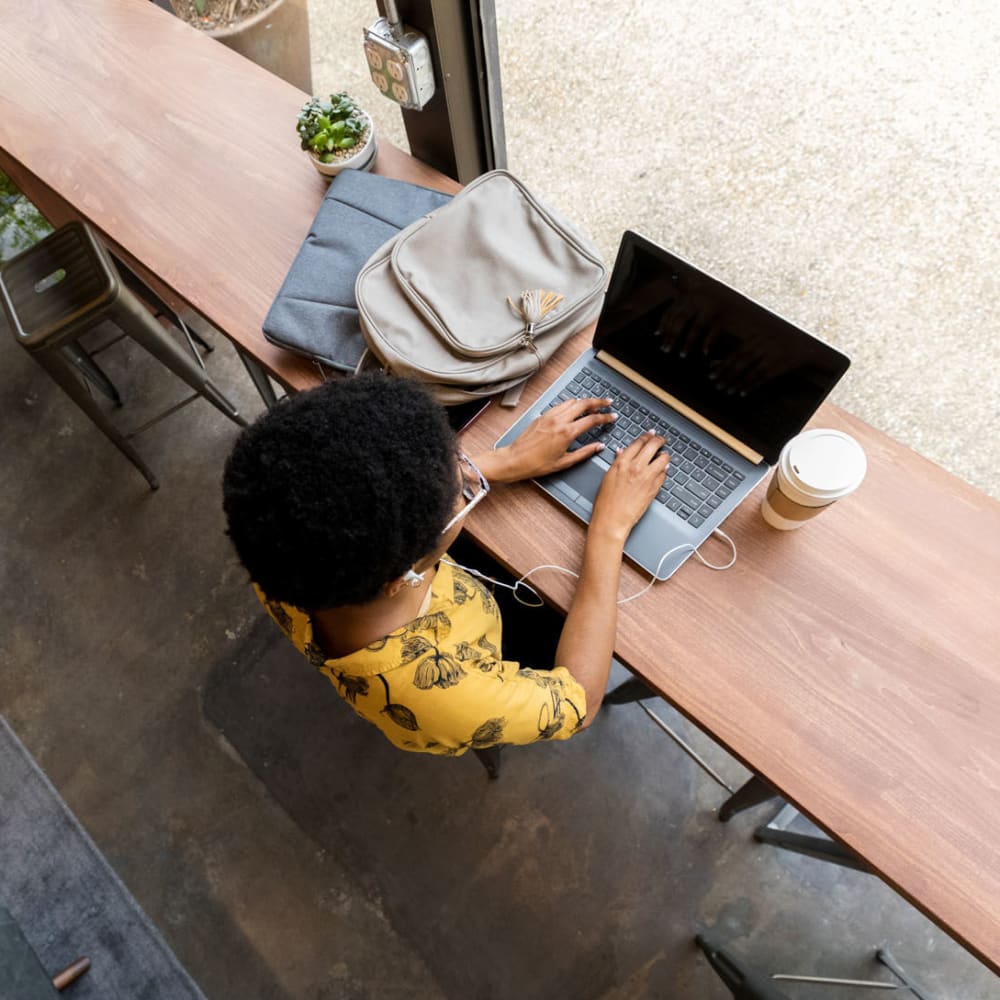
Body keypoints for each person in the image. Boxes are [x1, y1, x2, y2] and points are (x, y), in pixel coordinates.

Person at [222, 373, 668, 755]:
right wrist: (608, 531)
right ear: (401, 578)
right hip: (491, 644)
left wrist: (503, 461)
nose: (468, 477)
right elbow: (580, 704)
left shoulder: (282, 543)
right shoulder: (443, 694)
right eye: (463, 494)